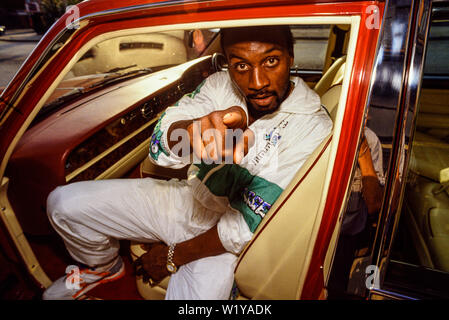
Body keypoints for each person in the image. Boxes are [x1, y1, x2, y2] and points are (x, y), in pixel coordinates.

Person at [42, 25, 332, 300]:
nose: (257, 83)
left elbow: (246, 226)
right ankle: (103, 268)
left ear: (291, 57)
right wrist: (190, 132)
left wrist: (171, 255)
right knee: (63, 205)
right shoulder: (221, 85)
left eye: (271, 61)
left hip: (224, 242)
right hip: (188, 198)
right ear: (229, 64)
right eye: (241, 65)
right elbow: (160, 145)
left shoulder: (314, 128)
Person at [327, 126, 384, 299]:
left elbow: (374, 204)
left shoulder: (370, 139)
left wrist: (363, 156)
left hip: (345, 237)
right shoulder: (319, 130)